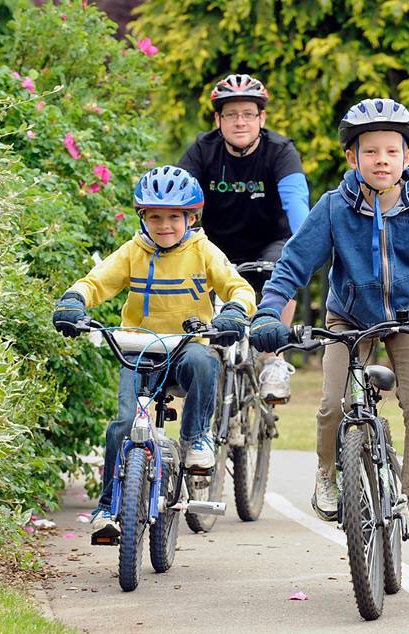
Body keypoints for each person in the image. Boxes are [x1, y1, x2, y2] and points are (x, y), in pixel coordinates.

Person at [247, 98, 409, 531]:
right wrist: (268, 311)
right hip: (348, 319)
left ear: (407, 156)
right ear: (352, 157)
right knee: (333, 403)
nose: (381, 160)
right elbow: (293, 263)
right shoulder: (335, 207)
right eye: (370, 151)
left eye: (391, 151)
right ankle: (327, 474)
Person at [52, 165, 256, 537]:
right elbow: (97, 281)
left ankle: (196, 438)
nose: (164, 225)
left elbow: (237, 287)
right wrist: (73, 301)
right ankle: (107, 508)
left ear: (191, 217)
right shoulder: (134, 251)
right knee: (123, 425)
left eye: (174, 217)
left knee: (204, 361)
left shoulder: (203, 251)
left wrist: (235, 310)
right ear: (143, 217)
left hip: (185, 350)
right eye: (155, 217)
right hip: (139, 349)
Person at [178, 73, 309, 404]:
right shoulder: (203, 151)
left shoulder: (280, 151)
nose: (240, 122)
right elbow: (177, 202)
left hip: (269, 245)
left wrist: (306, 245)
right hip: (216, 248)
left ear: (261, 118)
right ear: (218, 119)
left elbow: (297, 207)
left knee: (285, 265)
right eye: (231, 114)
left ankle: (274, 359)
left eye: (248, 114)